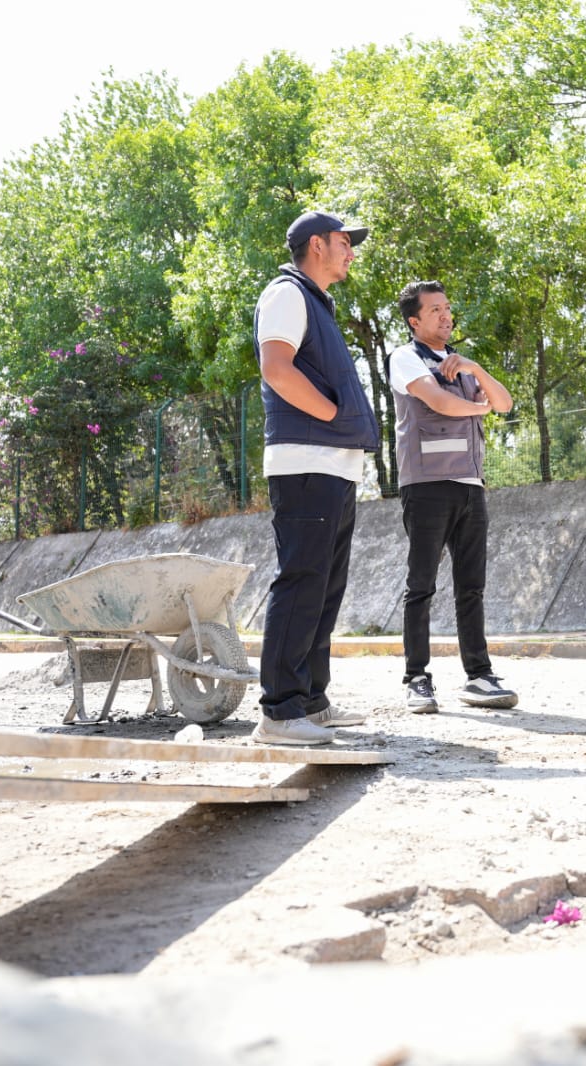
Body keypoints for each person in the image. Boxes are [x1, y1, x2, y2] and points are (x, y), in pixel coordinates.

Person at [251, 210, 381, 746]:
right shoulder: (286, 293)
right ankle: (279, 713)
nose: (351, 250)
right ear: (315, 245)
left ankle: (310, 701)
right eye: (343, 241)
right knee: (302, 582)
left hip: (331, 465)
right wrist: (330, 414)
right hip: (305, 461)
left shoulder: (317, 303)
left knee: (325, 588)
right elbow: (276, 367)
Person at [389, 280, 519, 714]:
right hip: (425, 485)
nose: (446, 316)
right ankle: (417, 678)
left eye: (448, 308)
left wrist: (477, 370)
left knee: (472, 586)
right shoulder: (405, 358)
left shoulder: (461, 364)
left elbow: (505, 402)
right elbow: (440, 403)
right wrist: (480, 407)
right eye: (435, 310)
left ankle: (478, 675)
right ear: (414, 320)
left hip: (470, 485)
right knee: (421, 584)